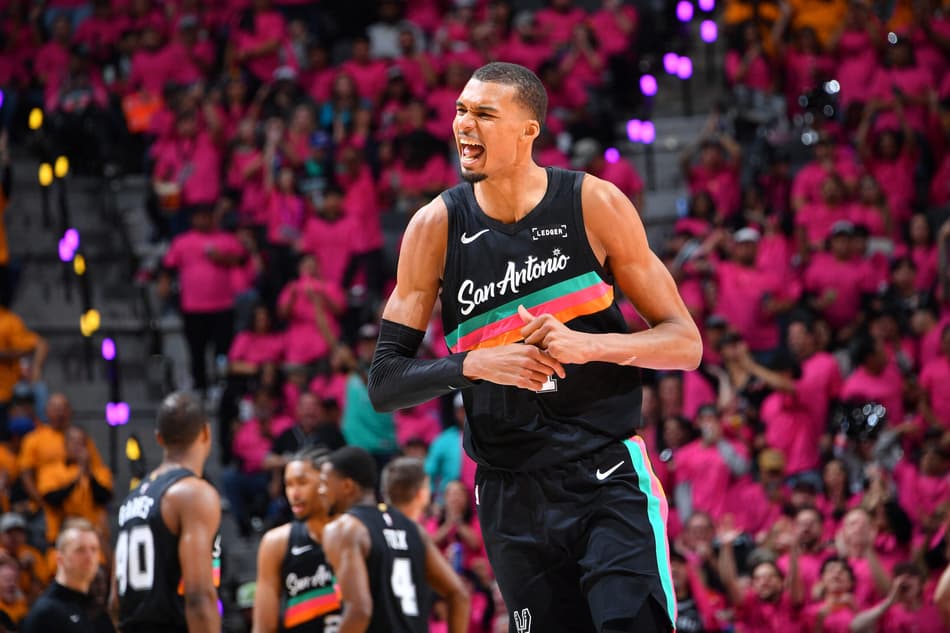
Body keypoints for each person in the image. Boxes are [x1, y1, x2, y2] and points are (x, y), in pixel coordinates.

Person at [367, 61, 700, 633]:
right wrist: (473, 363)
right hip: (509, 490)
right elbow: (385, 382)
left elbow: (685, 343)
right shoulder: (435, 227)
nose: (463, 125)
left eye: (484, 114)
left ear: (528, 130)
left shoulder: (594, 204)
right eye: (460, 111)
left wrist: (588, 347)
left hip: (607, 472)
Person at [320, 446, 470, 633]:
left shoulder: (344, 528)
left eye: (325, 483)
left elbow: (359, 611)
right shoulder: (413, 529)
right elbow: (459, 595)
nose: (321, 491)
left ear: (347, 486)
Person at [111, 392, 221, 633]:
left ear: (159, 438)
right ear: (206, 433)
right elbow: (198, 596)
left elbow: (115, 602)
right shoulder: (193, 494)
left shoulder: (131, 499)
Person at [252, 449, 341, 633]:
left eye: (302, 482)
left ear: (327, 482)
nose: (294, 493)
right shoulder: (276, 543)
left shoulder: (359, 534)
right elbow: (263, 626)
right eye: (289, 485)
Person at [20, 518, 115, 633]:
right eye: (80, 550)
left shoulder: (98, 613)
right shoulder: (45, 613)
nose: (89, 557)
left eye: (94, 549)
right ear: (60, 559)